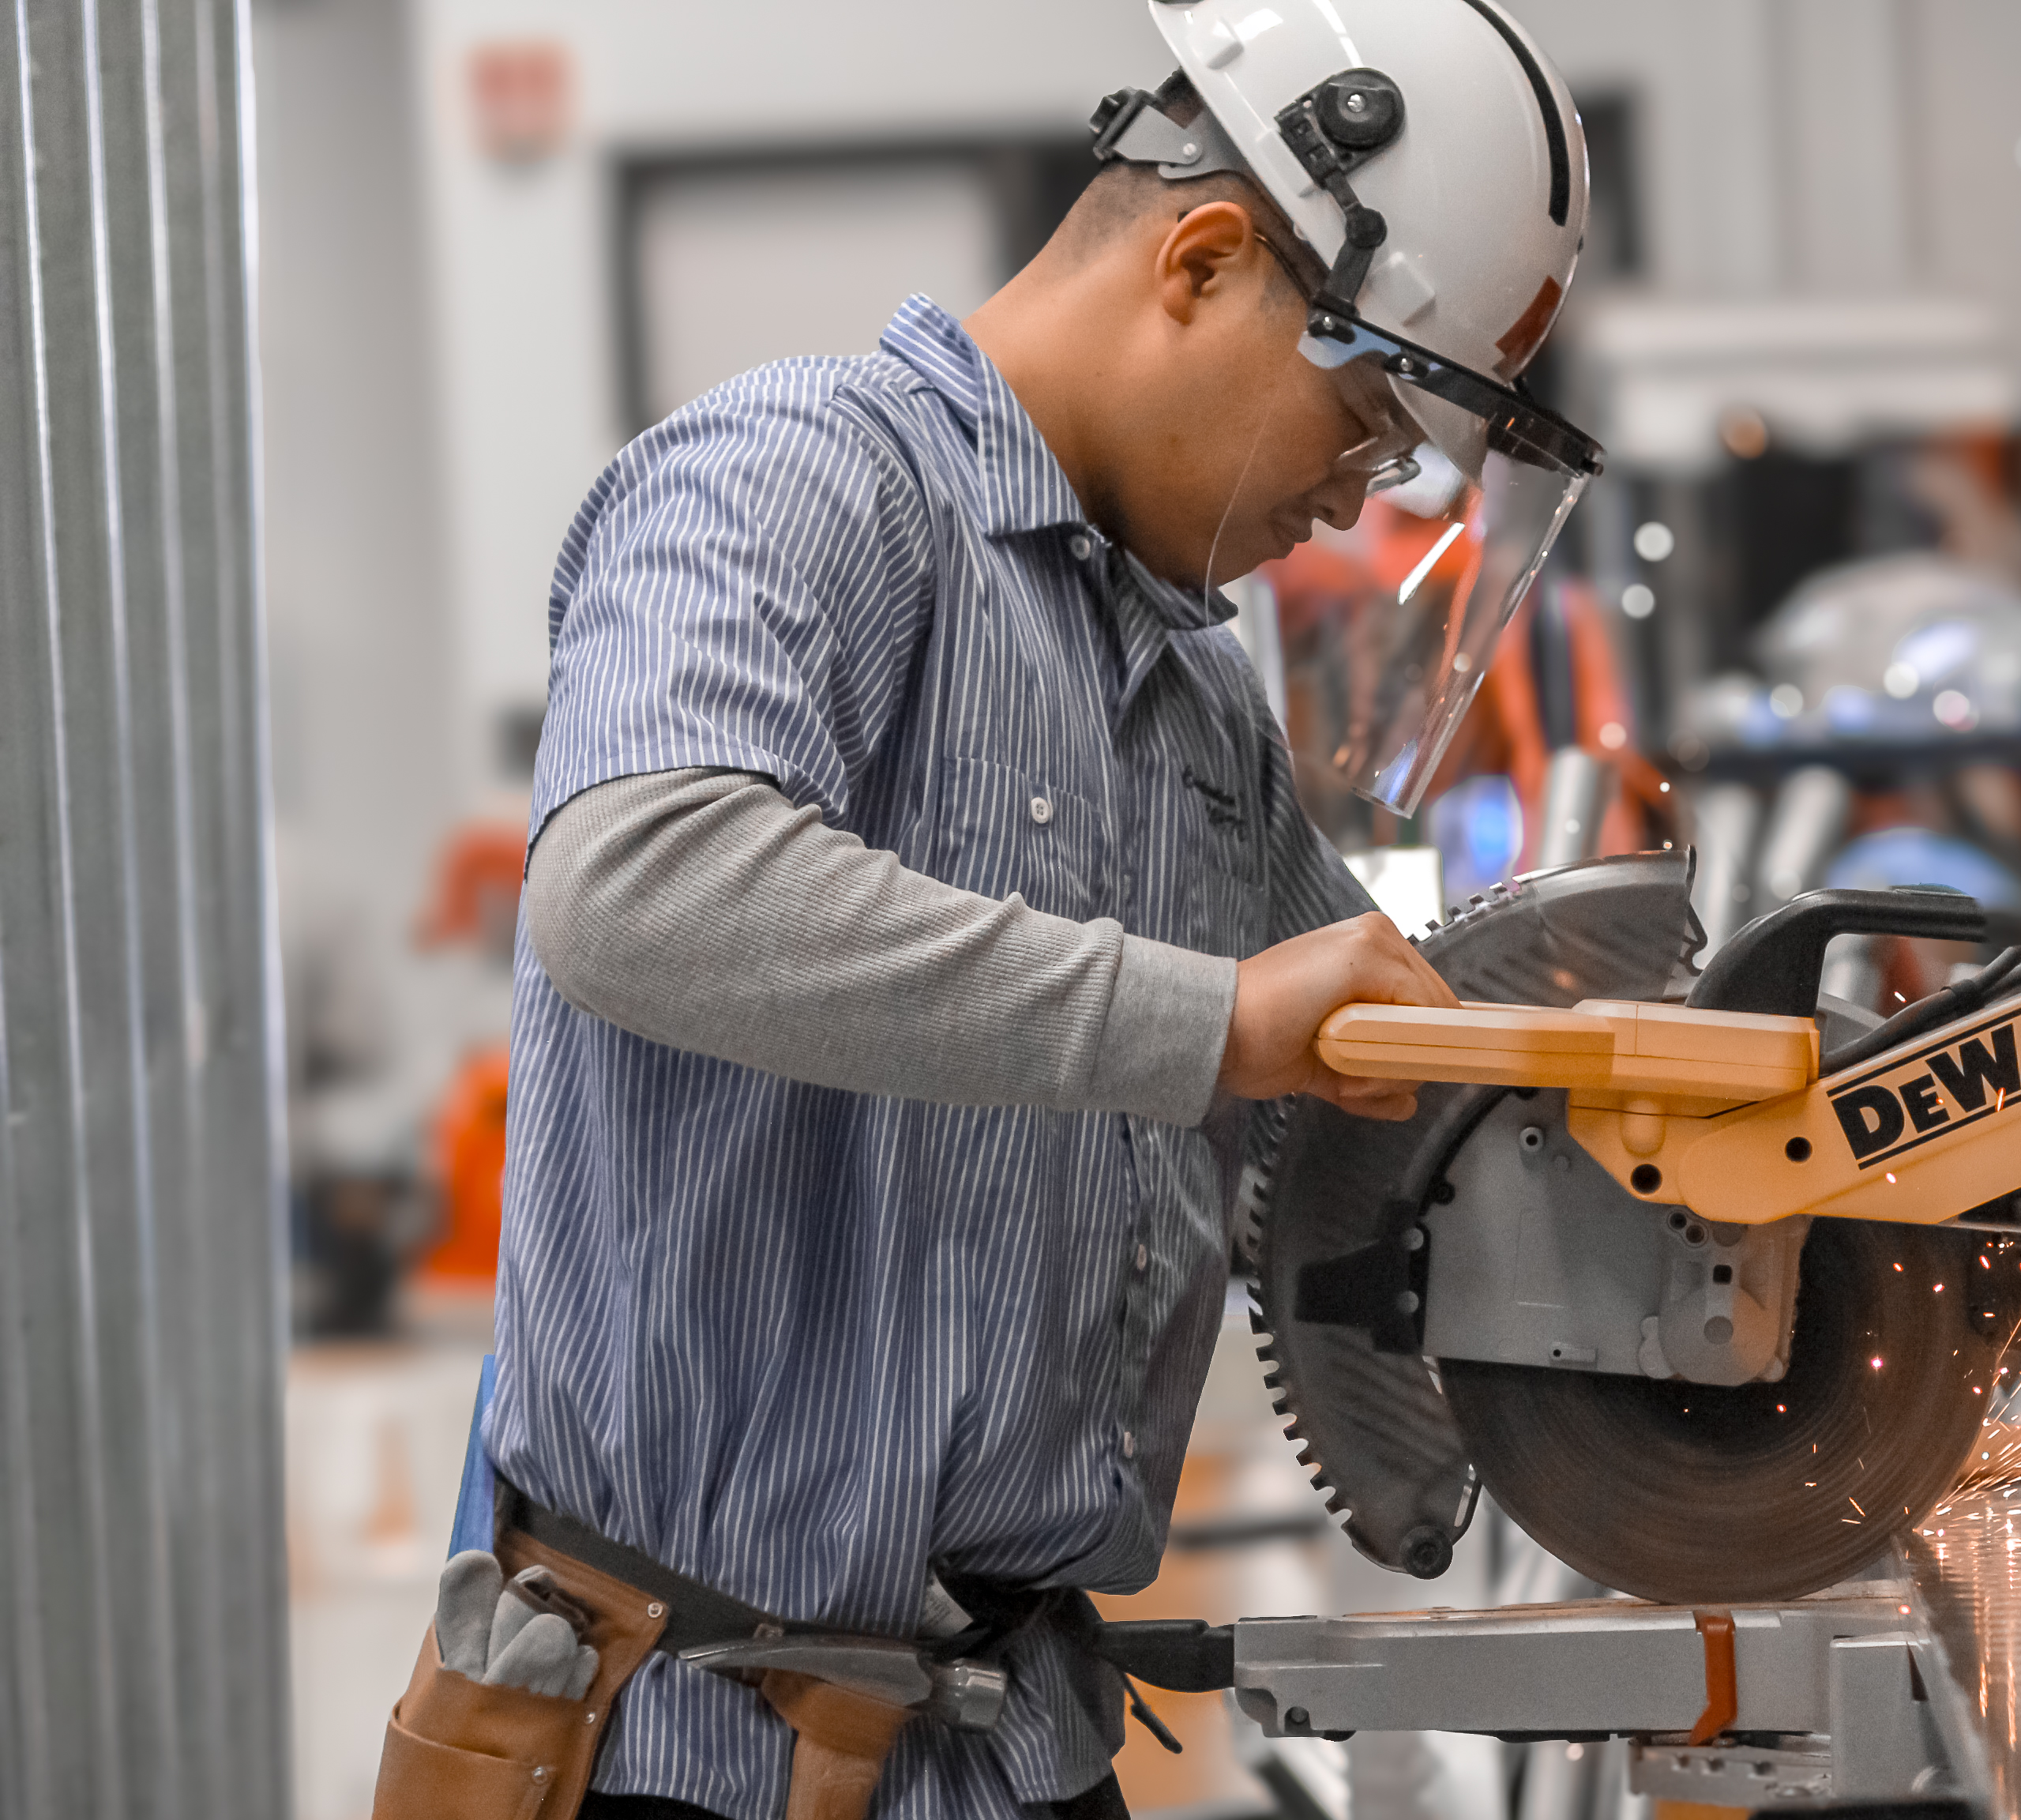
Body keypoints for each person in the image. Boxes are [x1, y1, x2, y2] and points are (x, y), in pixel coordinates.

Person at [370, 4, 1603, 1818]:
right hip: (684, 1751)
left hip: (1012, 1745)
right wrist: (1199, 1021)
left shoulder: (1192, 700)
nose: (1356, 497)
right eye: (1361, 420)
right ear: (1201, 260)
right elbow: (633, 889)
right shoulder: (803, 475)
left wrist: (1705, 1113)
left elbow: (1398, 1060)